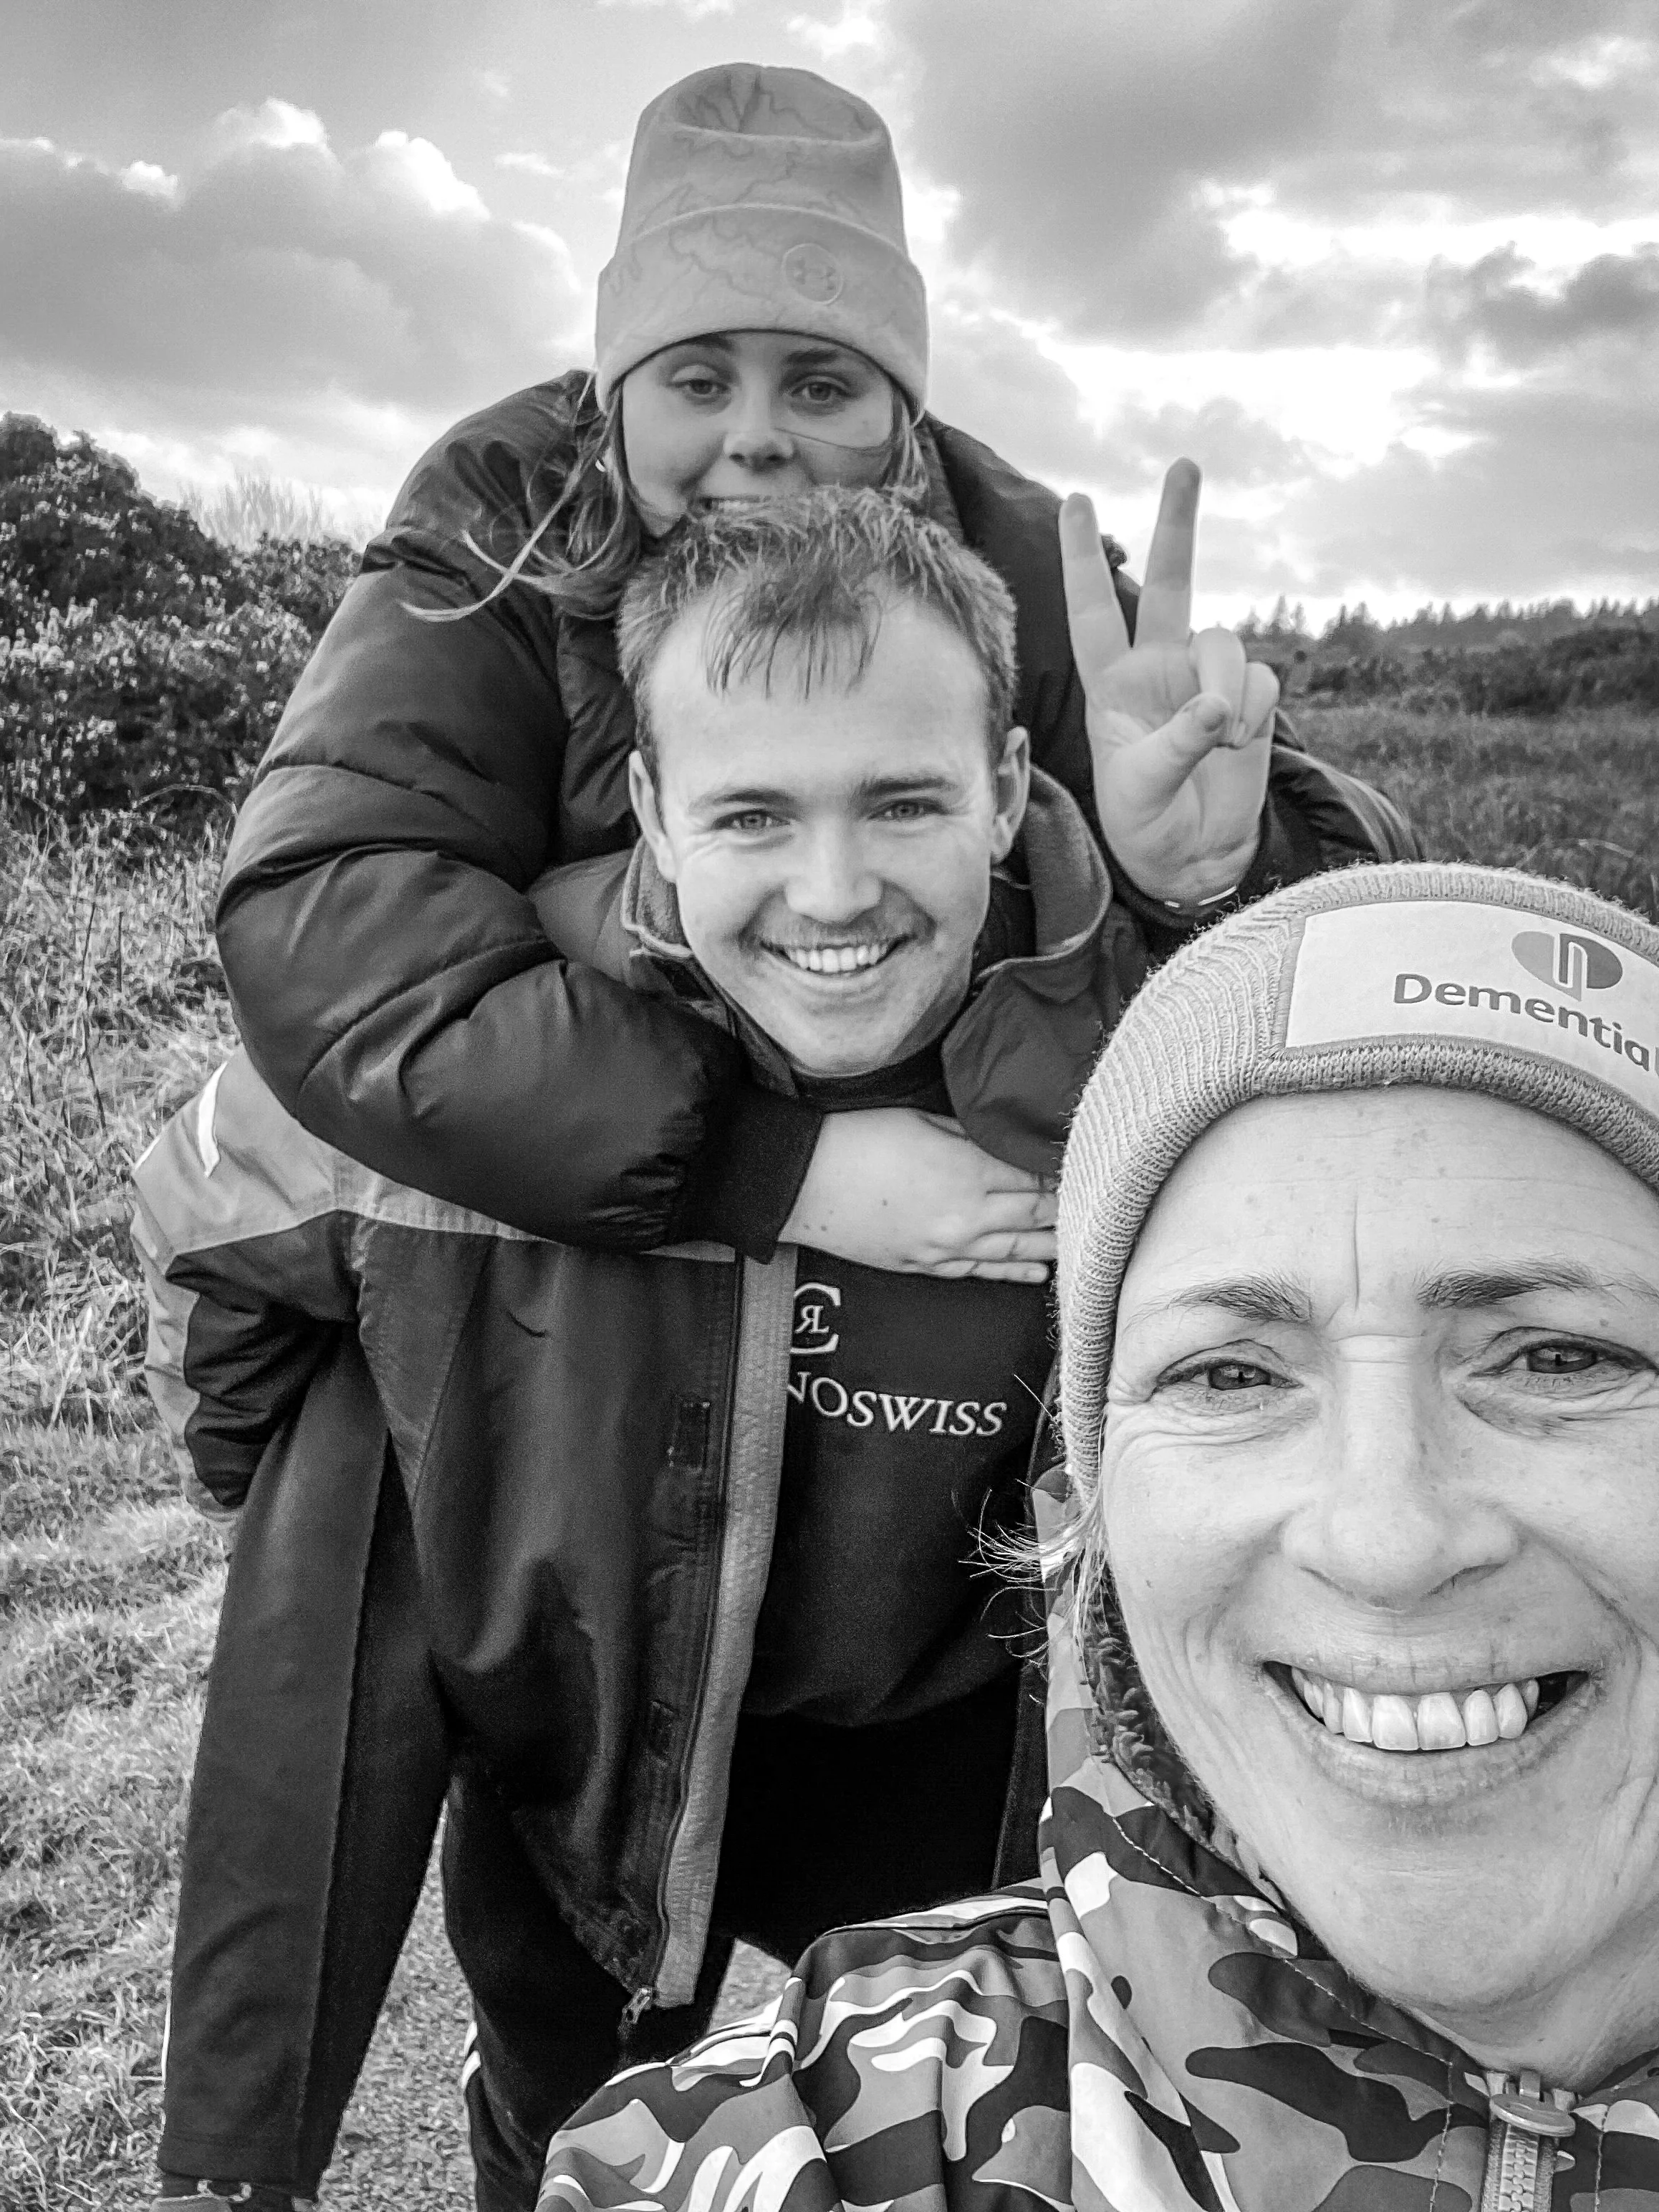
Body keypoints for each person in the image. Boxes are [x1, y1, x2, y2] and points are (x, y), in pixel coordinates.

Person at [145, 490, 1194, 2212]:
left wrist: (1220, 872)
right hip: (598, 1737)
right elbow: (219, 1234)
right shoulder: (495, 1038)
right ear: (649, 805)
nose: (833, 892)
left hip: (954, 1742)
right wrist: (396, 1501)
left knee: (999, 2134)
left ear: (1010, 787)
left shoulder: (1141, 1030)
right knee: (565, 2127)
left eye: (906, 800)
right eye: (755, 813)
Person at [534, 857, 1659, 2212]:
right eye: (1229, 1376)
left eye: (1557, 1359)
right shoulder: (808, 2148)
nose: (1386, 1540)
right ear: (1094, 1512)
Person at [212, 58, 1414, 1310]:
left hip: (952, 1258)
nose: (756, 436)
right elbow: (326, 932)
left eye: (821, 382)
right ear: (616, 396)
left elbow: (1369, 939)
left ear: (903, 415)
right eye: (697, 379)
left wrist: (1214, 878)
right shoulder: (503, 521)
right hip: (589, 1251)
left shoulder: (1017, 560)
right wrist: (779, 1173)